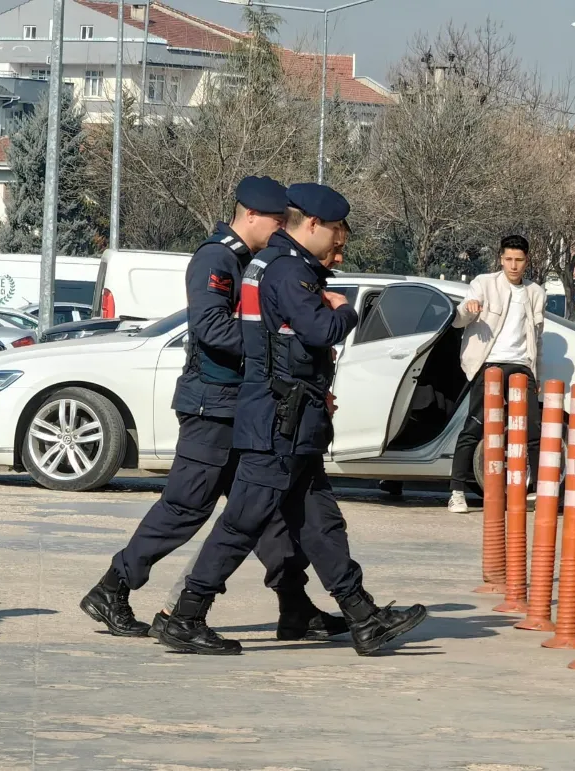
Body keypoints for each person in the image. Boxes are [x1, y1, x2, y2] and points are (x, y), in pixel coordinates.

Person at [158, 183, 427, 656]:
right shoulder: (287, 271)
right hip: (277, 422)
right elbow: (318, 330)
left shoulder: (280, 265)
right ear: (313, 225)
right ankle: (186, 616)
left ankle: (361, 614)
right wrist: (347, 311)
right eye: (337, 231)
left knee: (320, 522)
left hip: (290, 419)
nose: (340, 242)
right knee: (241, 523)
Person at [81, 176, 346, 642]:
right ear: (250, 216)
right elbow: (209, 328)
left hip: (243, 406)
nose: (284, 227)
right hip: (212, 406)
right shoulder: (217, 257)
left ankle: (295, 605)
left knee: (267, 512)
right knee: (187, 507)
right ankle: (113, 587)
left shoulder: (253, 262)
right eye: (277, 220)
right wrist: (273, 342)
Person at [448, 234, 545, 513]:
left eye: (519, 260)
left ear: (526, 261)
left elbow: (537, 339)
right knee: (474, 426)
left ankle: (536, 489)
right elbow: (459, 319)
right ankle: (457, 491)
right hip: (488, 364)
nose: (513, 265)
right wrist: (468, 309)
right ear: (501, 259)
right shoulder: (483, 283)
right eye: (508, 259)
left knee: (533, 429)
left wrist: (536, 376)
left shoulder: (535, 292)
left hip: (521, 365)